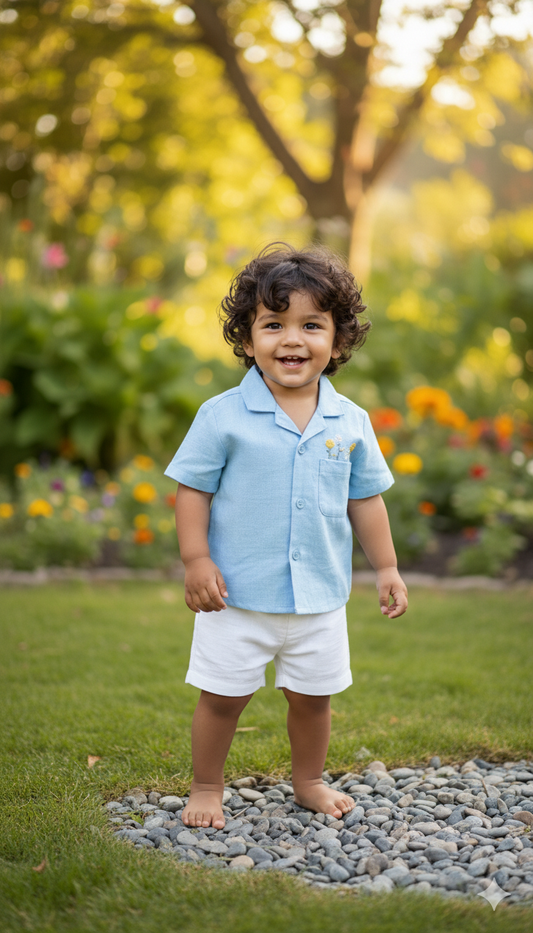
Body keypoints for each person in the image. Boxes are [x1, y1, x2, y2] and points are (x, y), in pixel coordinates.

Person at [165, 242, 408, 830]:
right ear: (248, 341)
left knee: (313, 698)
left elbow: (365, 500)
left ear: (338, 341)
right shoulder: (221, 416)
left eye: (311, 325)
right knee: (222, 698)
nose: (292, 339)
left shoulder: (349, 421)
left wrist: (388, 568)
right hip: (236, 596)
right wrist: (196, 559)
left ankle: (308, 781)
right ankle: (206, 785)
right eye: (274, 325)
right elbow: (192, 490)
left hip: (320, 596)